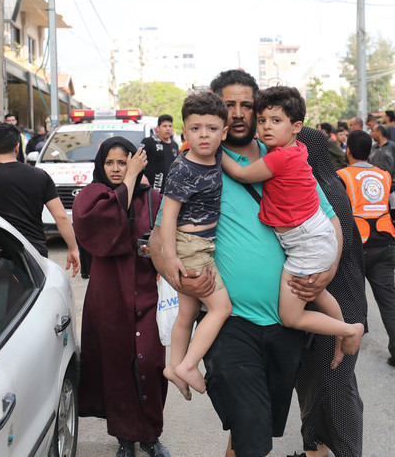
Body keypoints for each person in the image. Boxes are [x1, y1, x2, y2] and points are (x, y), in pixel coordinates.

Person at [150, 69, 343, 457]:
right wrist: (174, 271)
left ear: (258, 112)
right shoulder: (200, 163)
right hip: (230, 326)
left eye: (247, 105)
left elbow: (330, 221)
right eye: (229, 105)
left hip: (282, 323)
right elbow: (160, 235)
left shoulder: (284, 160)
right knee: (253, 436)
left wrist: (328, 271)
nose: (238, 113)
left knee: (250, 435)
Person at [220, 86, 364, 364]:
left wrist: (212, 145)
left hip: (306, 243)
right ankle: (341, 338)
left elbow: (239, 173)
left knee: (290, 316)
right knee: (317, 293)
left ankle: (349, 329)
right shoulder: (297, 150)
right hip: (312, 238)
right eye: (261, 121)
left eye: (276, 121)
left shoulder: (279, 157)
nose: (265, 128)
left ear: (297, 126)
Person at [72, 137, 170, 457]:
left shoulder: (153, 198)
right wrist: (129, 180)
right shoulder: (92, 197)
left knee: (152, 365)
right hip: (110, 297)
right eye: (110, 163)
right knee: (116, 367)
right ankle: (125, 438)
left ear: (136, 161)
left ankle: (150, 435)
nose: (116, 169)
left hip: (148, 294)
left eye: (123, 162)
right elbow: (98, 229)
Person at [152, 92, 233, 400]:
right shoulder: (183, 168)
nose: (204, 135)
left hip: (201, 244)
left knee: (187, 315)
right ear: (184, 132)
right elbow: (169, 216)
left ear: (223, 133)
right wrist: (170, 258)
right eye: (196, 128)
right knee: (220, 307)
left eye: (212, 128)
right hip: (191, 247)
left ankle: (173, 366)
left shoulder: (217, 156)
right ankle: (189, 365)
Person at [294, 124, 367, 457]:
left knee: (336, 388)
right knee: (310, 384)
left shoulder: (330, 189)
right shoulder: (306, 185)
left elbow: (343, 243)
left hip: (342, 302)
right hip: (315, 305)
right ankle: (314, 449)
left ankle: (349, 452)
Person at [0, 123, 79, 273]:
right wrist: (73, 249)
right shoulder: (40, 175)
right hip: (35, 252)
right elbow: (61, 217)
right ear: (17, 147)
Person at [338, 130, 395, 371]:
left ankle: (345, 357)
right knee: (389, 299)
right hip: (385, 243)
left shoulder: (342, 177)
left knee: (349, 300)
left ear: (347, 151)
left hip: (356, 246)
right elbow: (394, 208)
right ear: (371, 152)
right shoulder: (384, 176)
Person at [142, 114, 180, 194]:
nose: (168, 129)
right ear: (158, 128)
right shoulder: (149, 142)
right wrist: (142, 176)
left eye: (170, 126)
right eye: (165, 126)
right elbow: (137, 161)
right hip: (151, 189)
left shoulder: (175, 145)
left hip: (169, 191)